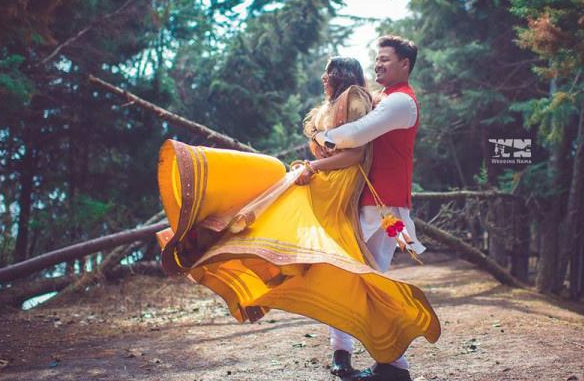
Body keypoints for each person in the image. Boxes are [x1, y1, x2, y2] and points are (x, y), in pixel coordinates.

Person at [155, 56, 440, 378]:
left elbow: (356, 154)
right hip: (327, 187)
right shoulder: (328, 107)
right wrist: (311, 166)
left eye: (329, 72)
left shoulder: (358, 100)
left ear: (340, 75)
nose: (323, 77)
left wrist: (312, 167)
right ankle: (343, 353)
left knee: (348, 273)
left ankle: (389, 363)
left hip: (340, 193)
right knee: (303, 243)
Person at [313, 35, 425, 381]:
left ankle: (390, 364)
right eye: (376, 60)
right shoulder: (385, 98)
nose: (378, 65)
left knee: (361, 281)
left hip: (383, 207)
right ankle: (378, 362)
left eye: (386, 60)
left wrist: (320, 139)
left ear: (404, 64)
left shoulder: (402, 103)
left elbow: (358, 133)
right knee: (361, 280)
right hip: (375, 202)